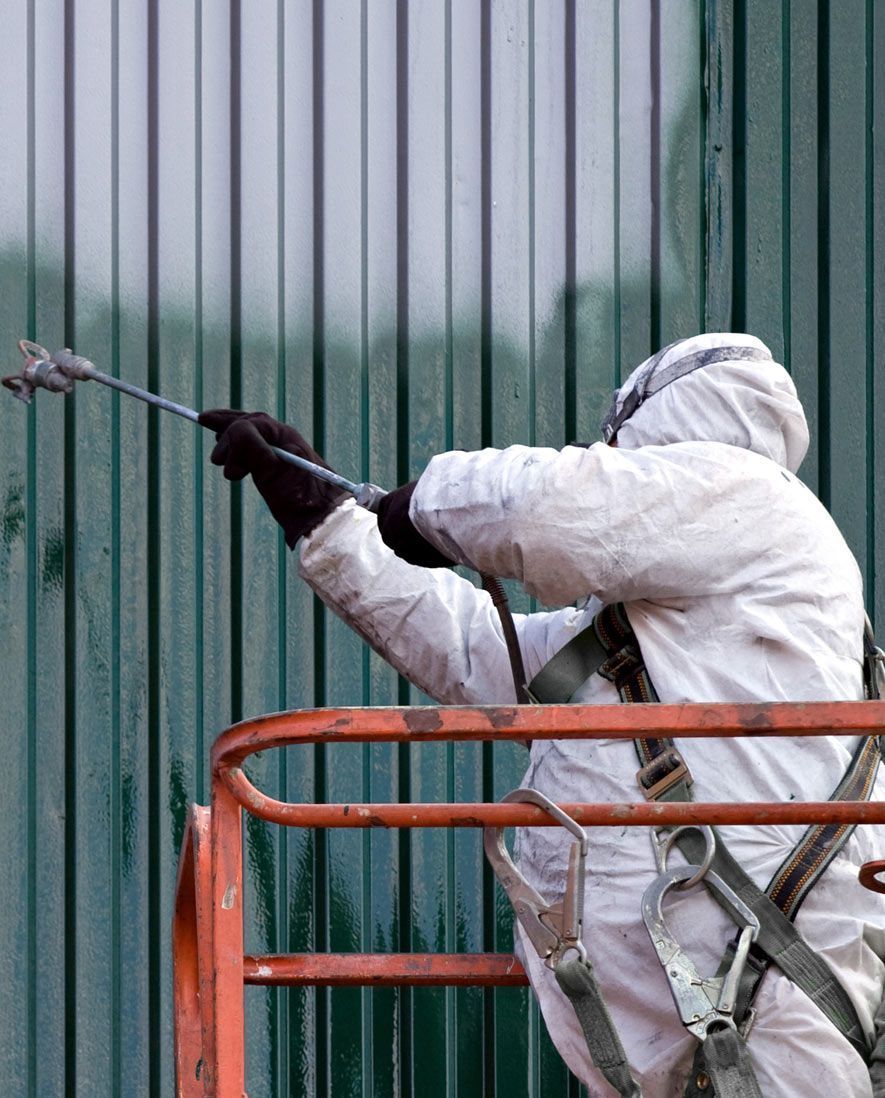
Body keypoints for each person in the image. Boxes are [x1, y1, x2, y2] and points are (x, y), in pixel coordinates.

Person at [200, 332, 885, 1097]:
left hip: (763, 996)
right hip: (697, 1016)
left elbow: (549, 511)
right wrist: (324, 520)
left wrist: (422, 506)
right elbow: (479, 658)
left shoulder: (752, 502)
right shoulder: (663, 619)